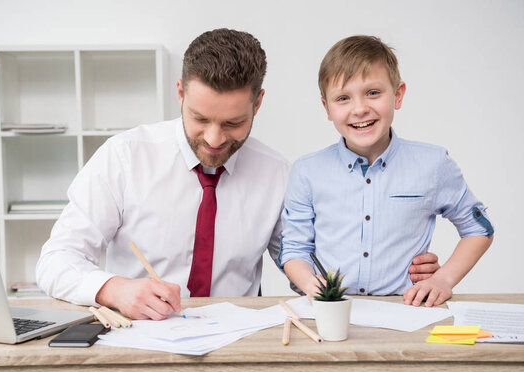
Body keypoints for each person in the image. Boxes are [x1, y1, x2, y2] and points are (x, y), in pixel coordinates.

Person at [37, 29, 441, 321]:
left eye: (233, 122)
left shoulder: (278, 174)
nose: (214, 139)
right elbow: (55, 261)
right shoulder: (124, 158)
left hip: (235, 344)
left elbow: (309, 266)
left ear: (258, 103)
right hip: (136, 339)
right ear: (180, 93)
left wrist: (393, 260)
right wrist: (116, 289)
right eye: (199, 118)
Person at [278, 35, 493, 307]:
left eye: (373, 93)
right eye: (343, 98)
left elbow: (478, 229)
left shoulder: (433, 163)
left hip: (406, 310)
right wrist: (311, 283)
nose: (360, 109)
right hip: (333, 310)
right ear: (327, 108)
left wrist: (444, 279)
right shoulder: (307, 172)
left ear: (398, 94)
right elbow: (295, 249)